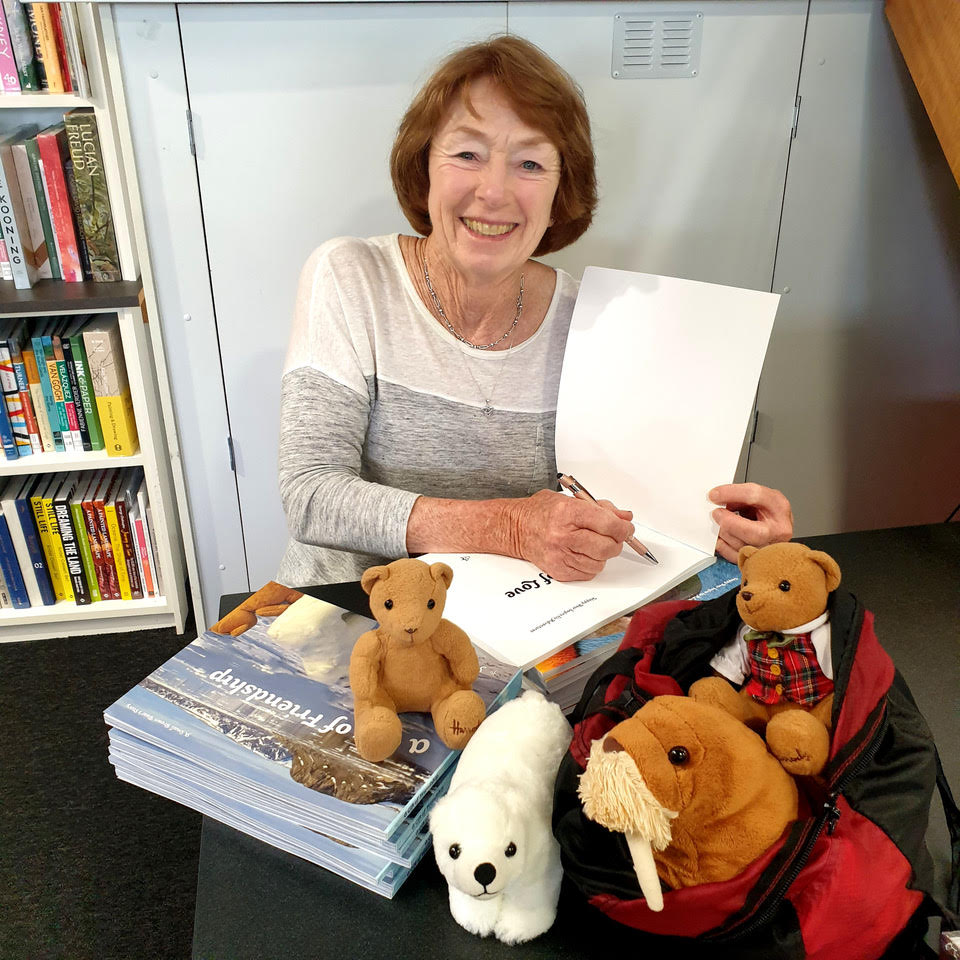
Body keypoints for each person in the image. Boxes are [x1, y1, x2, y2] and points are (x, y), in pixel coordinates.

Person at [277, 35, 792, 588]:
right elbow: (311, 495)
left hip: (518, 613)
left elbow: (625, 509)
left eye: (529, 163)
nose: (494, 192)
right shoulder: (350, 276)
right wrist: (510, 527)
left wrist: (717, 527)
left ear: (559, 195)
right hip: (348, 606)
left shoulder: (595, 320)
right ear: (424, 168)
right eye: (467, 154)